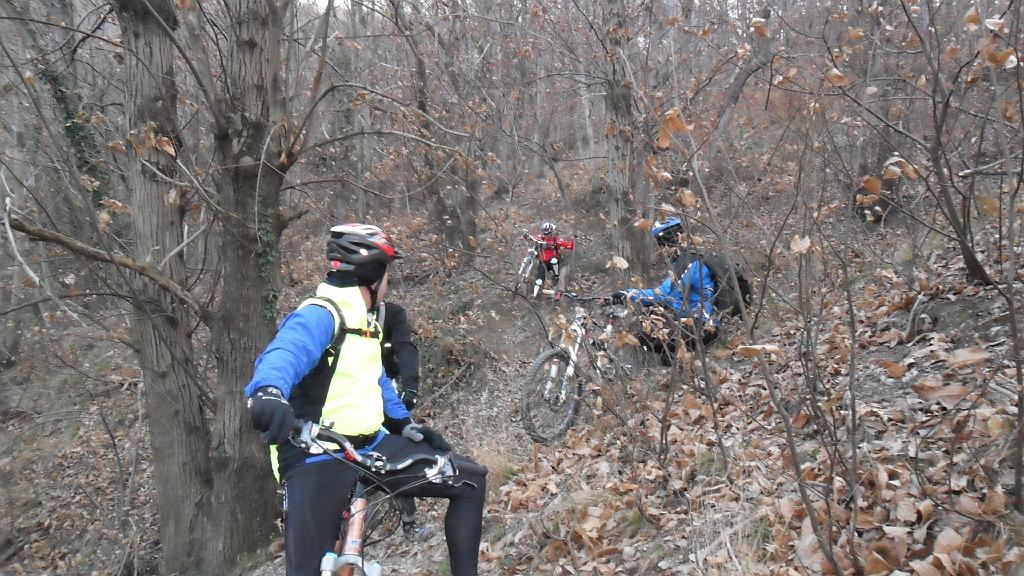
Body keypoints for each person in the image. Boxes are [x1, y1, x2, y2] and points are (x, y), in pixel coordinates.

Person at [245, 224, 486, 576]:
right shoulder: (321, 314)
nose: (388, 284)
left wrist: (404, 424)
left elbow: (376, 381)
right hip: (317, 453)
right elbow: (284, 353)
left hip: (370, 448)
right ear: (373, 277)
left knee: (468, 480)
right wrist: (268, 392)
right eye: (387, 275)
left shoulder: (366, 324)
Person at [609, 217, 717, 360]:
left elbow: (664, 295)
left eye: (664, 241)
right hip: (696, 323)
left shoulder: (689, 263)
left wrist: (627, 294)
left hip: (699, 327)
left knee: (638, 337)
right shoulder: (690, 259)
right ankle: (675, 366)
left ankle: (618, 363)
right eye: (660, 243)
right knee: (650, 322)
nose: (663, 247)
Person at [375, 299, 428, 540]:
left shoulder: (392, 313)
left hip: (386, 386)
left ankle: (410, 523)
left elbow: (405, 347)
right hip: (348, 389)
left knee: (401, 445)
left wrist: (410, 387)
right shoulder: (338, 314)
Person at [522, 221, 575, 297]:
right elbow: (532, 238)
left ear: (551, 233)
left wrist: (573, 240)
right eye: (544, 233)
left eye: (548, 234)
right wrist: (526, 236)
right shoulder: (541, 238)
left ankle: (556, 276)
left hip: (554, 261)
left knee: (554, 261)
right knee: (539, 280)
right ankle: (534, 295)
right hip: (543, 262)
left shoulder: (557, 240)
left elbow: (569, 246)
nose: (546, 235)